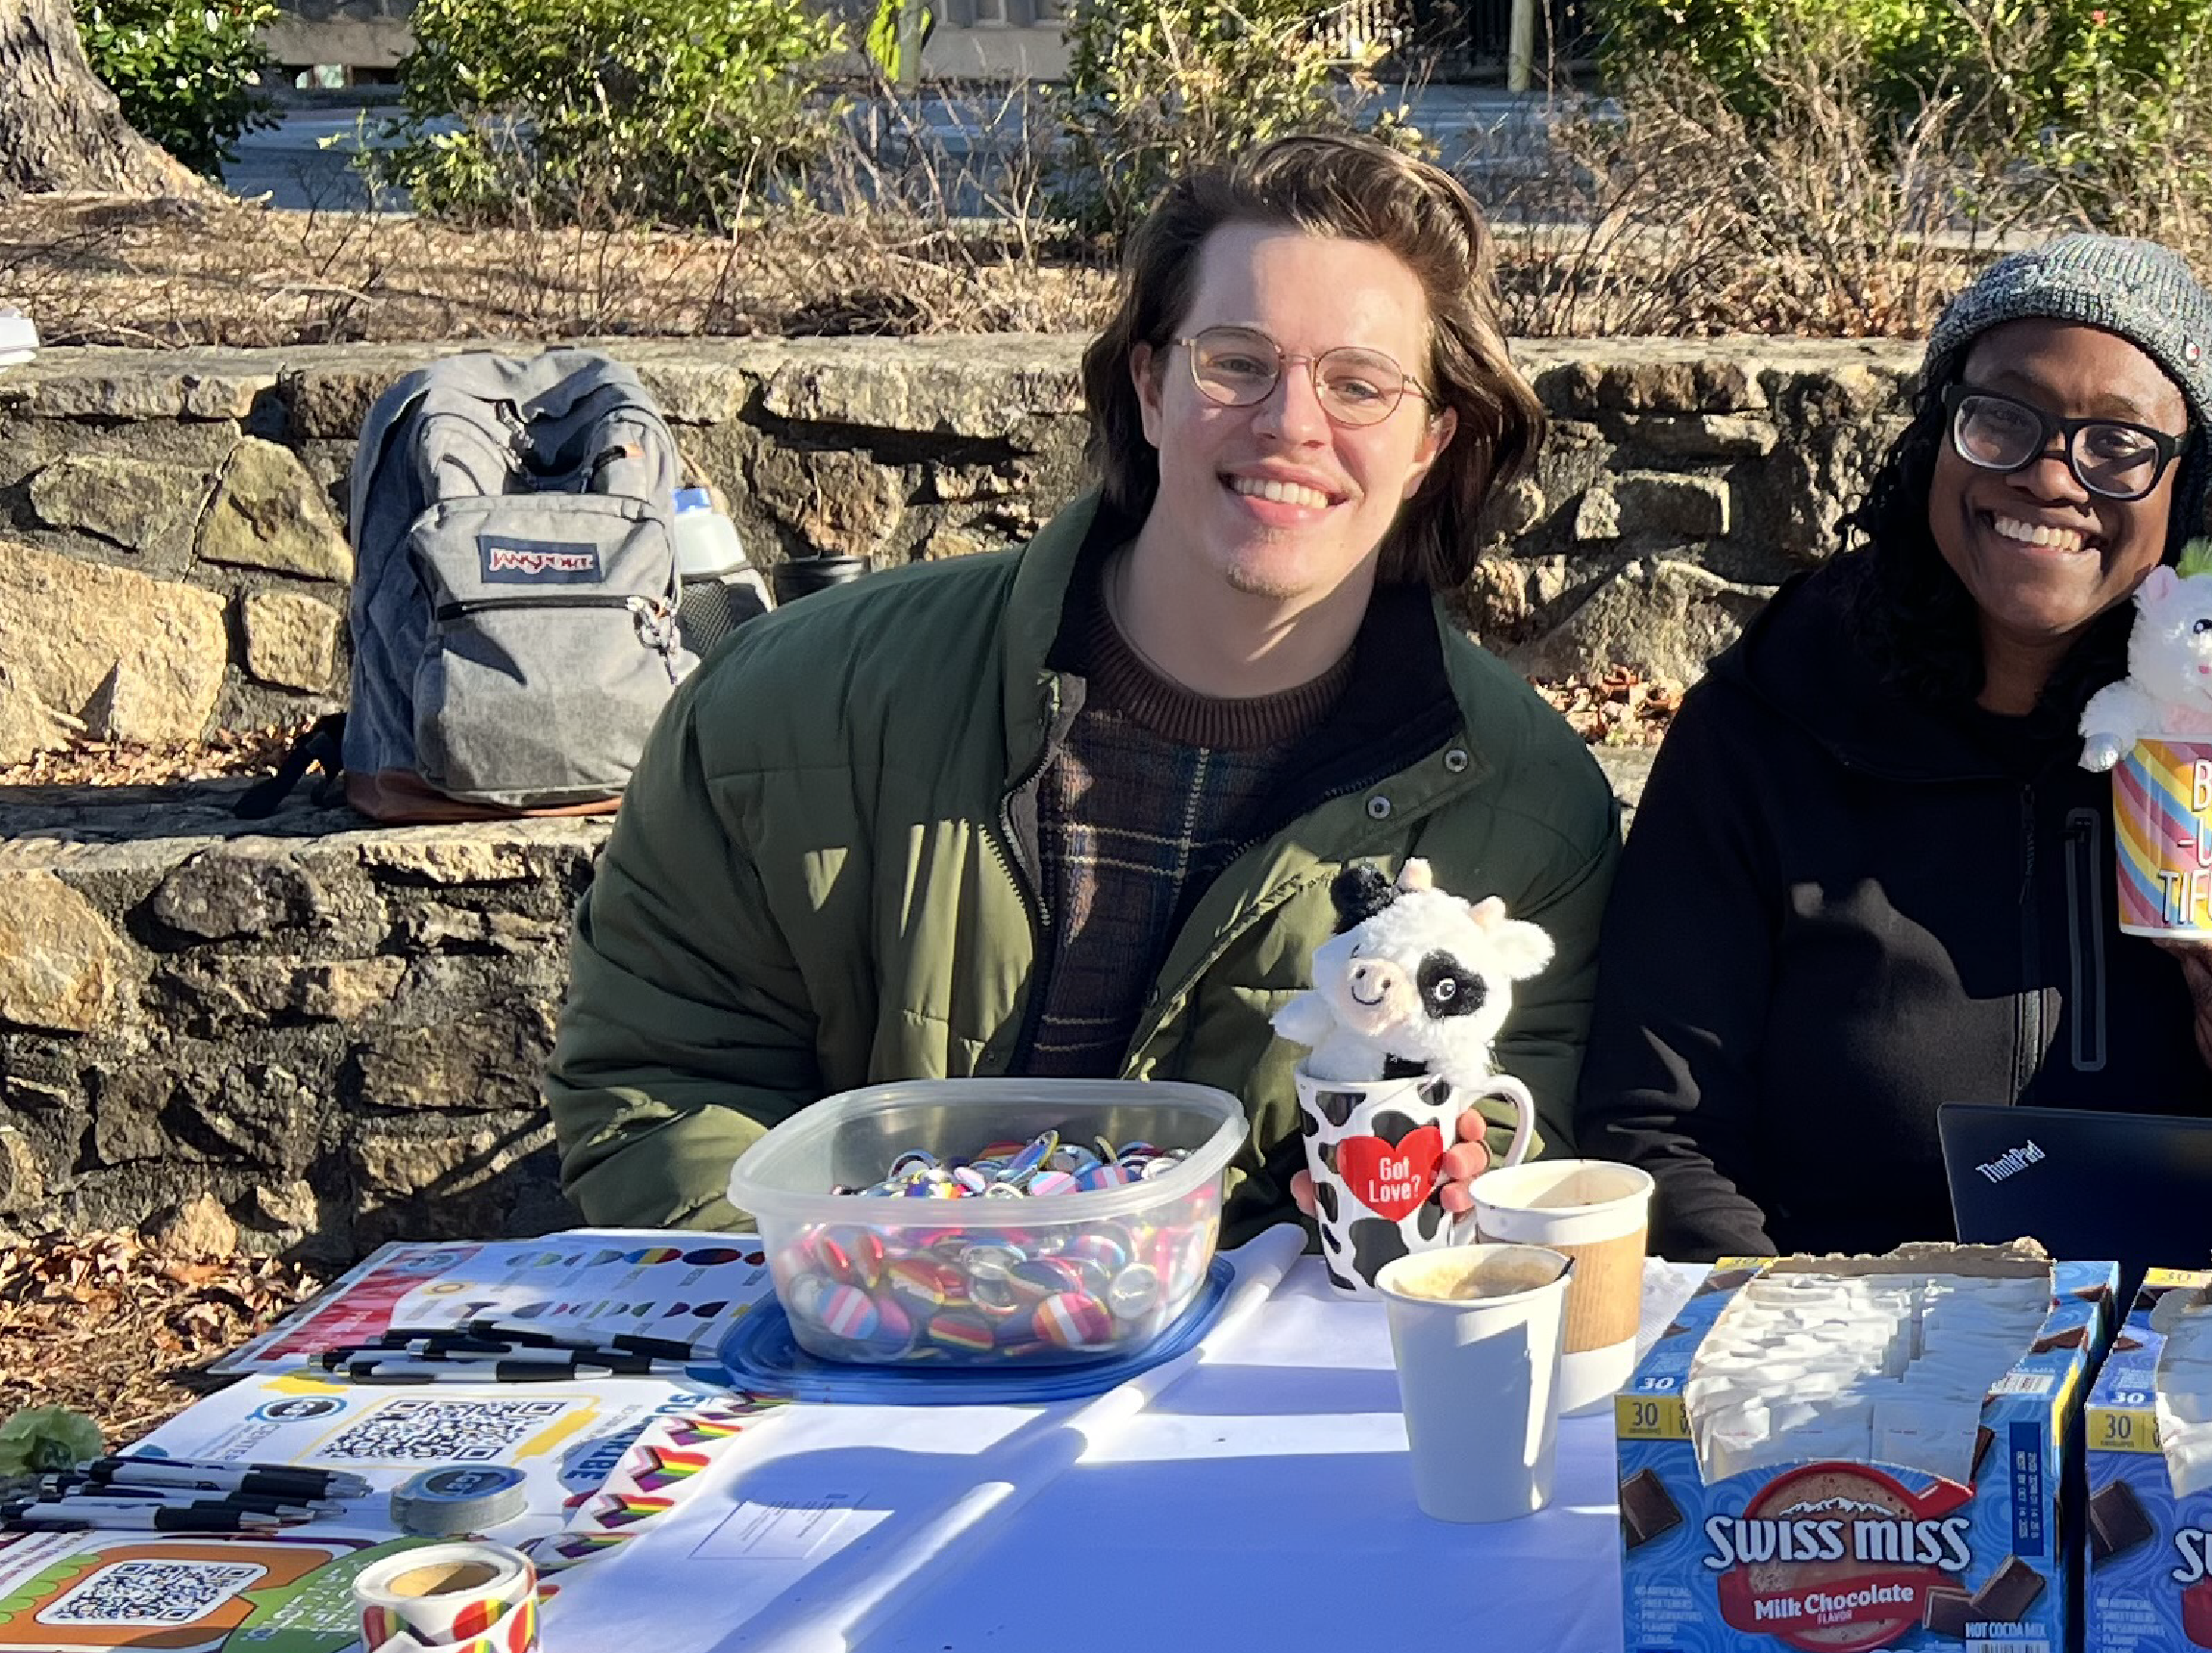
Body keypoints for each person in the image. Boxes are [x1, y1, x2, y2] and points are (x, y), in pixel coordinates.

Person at [551, 133, 1620, 1226]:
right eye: (1237, 362)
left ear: (1430, 444)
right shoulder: (792, 706)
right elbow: (662, 1092)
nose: (1293, 424)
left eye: (1358, 386)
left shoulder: (1524, 811)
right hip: (861, 1362)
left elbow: (1516, 1168)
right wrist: (904, 1301)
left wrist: (1441, 1201)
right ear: (1150, 385)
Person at [1584, 240, 2212, 1259]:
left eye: (2120, 443)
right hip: (1821, 1331)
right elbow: (1657, 1123)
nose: (2052, 475)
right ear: (1935, 436)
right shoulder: (1767, 722)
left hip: (2147, 1350)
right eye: (2003, 415)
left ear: (2180, 493)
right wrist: (1781, 1337)